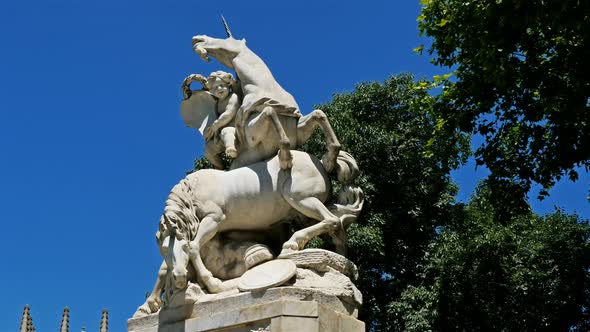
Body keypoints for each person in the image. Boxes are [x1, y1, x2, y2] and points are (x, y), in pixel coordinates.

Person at [182, 71, 240, 169]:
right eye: (215, 87)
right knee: (208, 149)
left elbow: (229, 114)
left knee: (227, 131)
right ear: (211, 91)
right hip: (220, 135)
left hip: (236, 128)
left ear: (228, 85)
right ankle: (219, 167)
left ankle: (231, 148)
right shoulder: (216, 104)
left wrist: (216, 125)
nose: (219, 89)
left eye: (222, 85)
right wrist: (210, 131)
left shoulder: (233, 97)